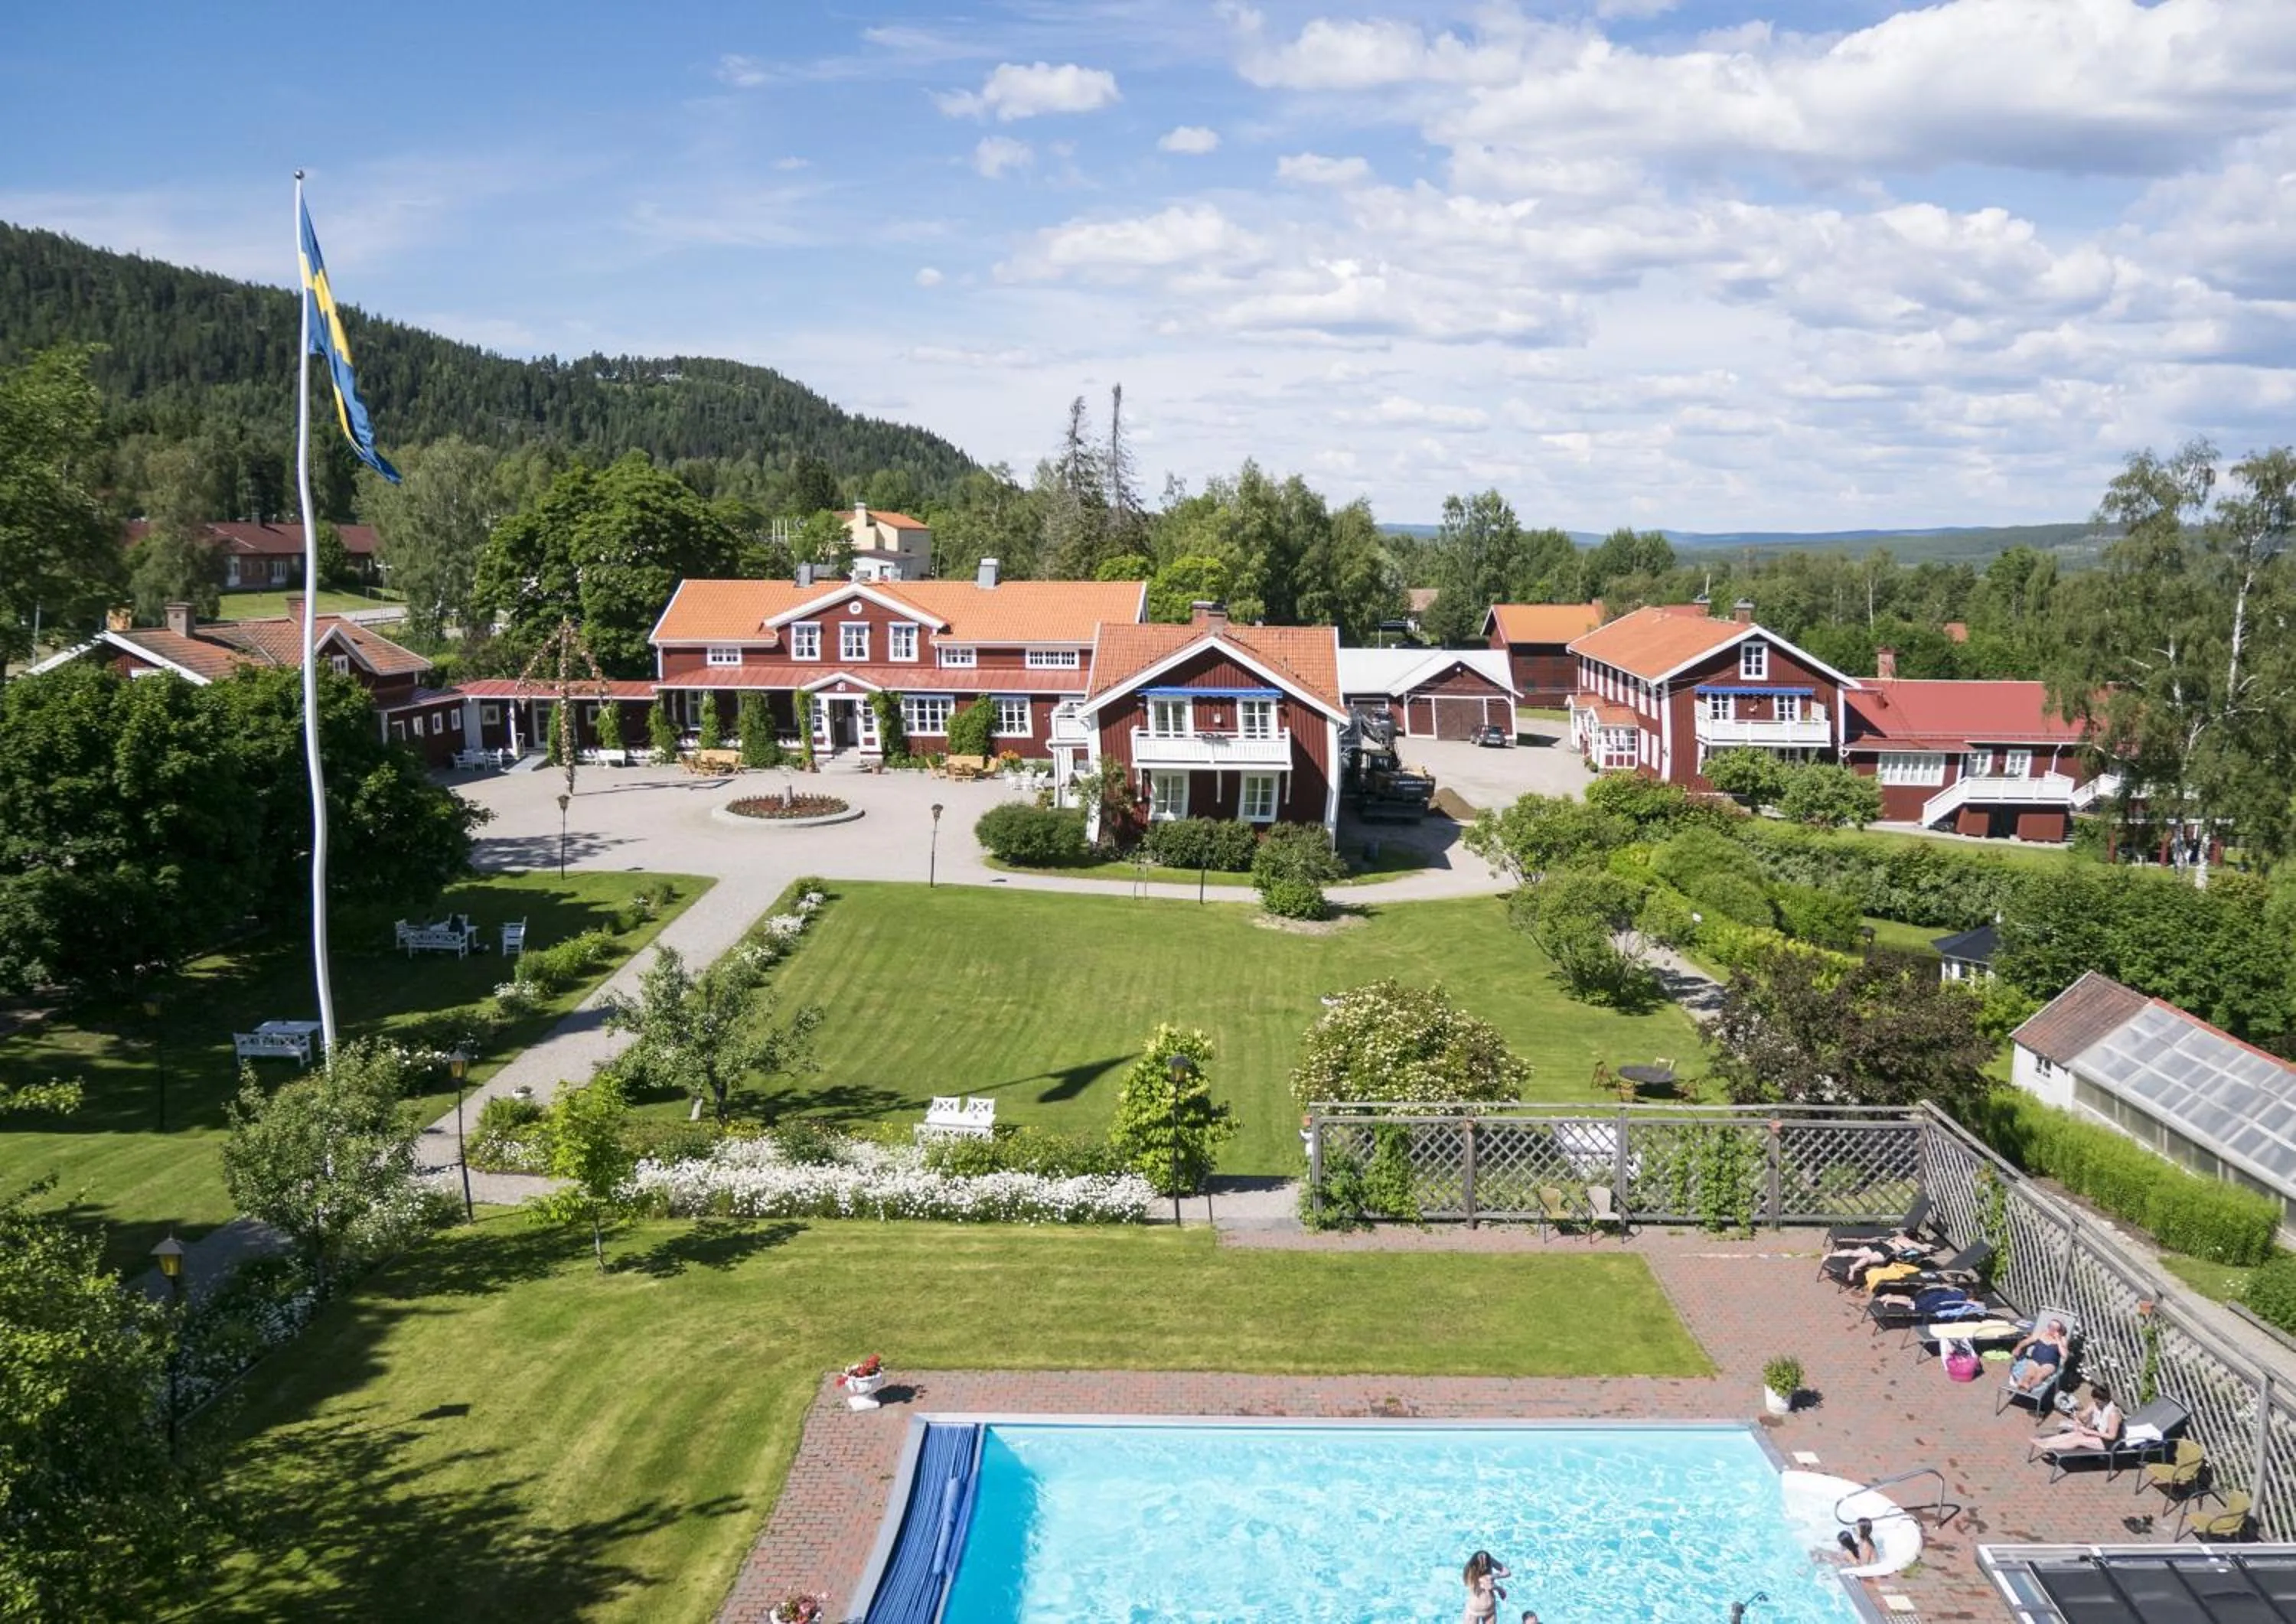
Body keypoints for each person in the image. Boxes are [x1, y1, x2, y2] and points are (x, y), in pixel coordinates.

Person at [2034, 1382, 2123, 1454]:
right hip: (2098, 1433)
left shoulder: (2113, 1414)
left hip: (2108, 1443)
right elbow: (2083, 1416)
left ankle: (2049, 1447)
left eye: (2097, 1402)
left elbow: (2112, 1436)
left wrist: (2089, 1431)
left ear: (2104, 1400)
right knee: (2075, 1434)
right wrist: (2078, 1418)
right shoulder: (2097, 1405)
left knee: (2078, 1440)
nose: (2095, 1404)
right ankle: (2045, 1442)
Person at [2008, 1320, 2070, 1391]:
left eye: (2055, 1328)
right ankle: (2023, 1384)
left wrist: (2058, 1340)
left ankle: (2030, 1387)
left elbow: (2065, 1355)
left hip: (2049, 1364)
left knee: (2040, 1375)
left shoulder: (2062, 1339)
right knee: (2028, 1374)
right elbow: (2026, 1341)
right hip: (2034, 1360)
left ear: (2060, 1331)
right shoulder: (2041, 1333)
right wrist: (2018, 1348)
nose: (2051, 1329)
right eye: (2050, 1326)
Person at [1463, 1551, 1508, 1624]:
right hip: (1473, 1612)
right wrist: (1499, 1589)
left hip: (1490, 1611)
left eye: (1486, 1563)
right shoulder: (1470, 1570)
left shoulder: (1490, 1560)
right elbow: (1487, 1585)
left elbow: (1507, 1572)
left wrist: (1494, 1576)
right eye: (1481, 1564)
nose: (1485, 1567)